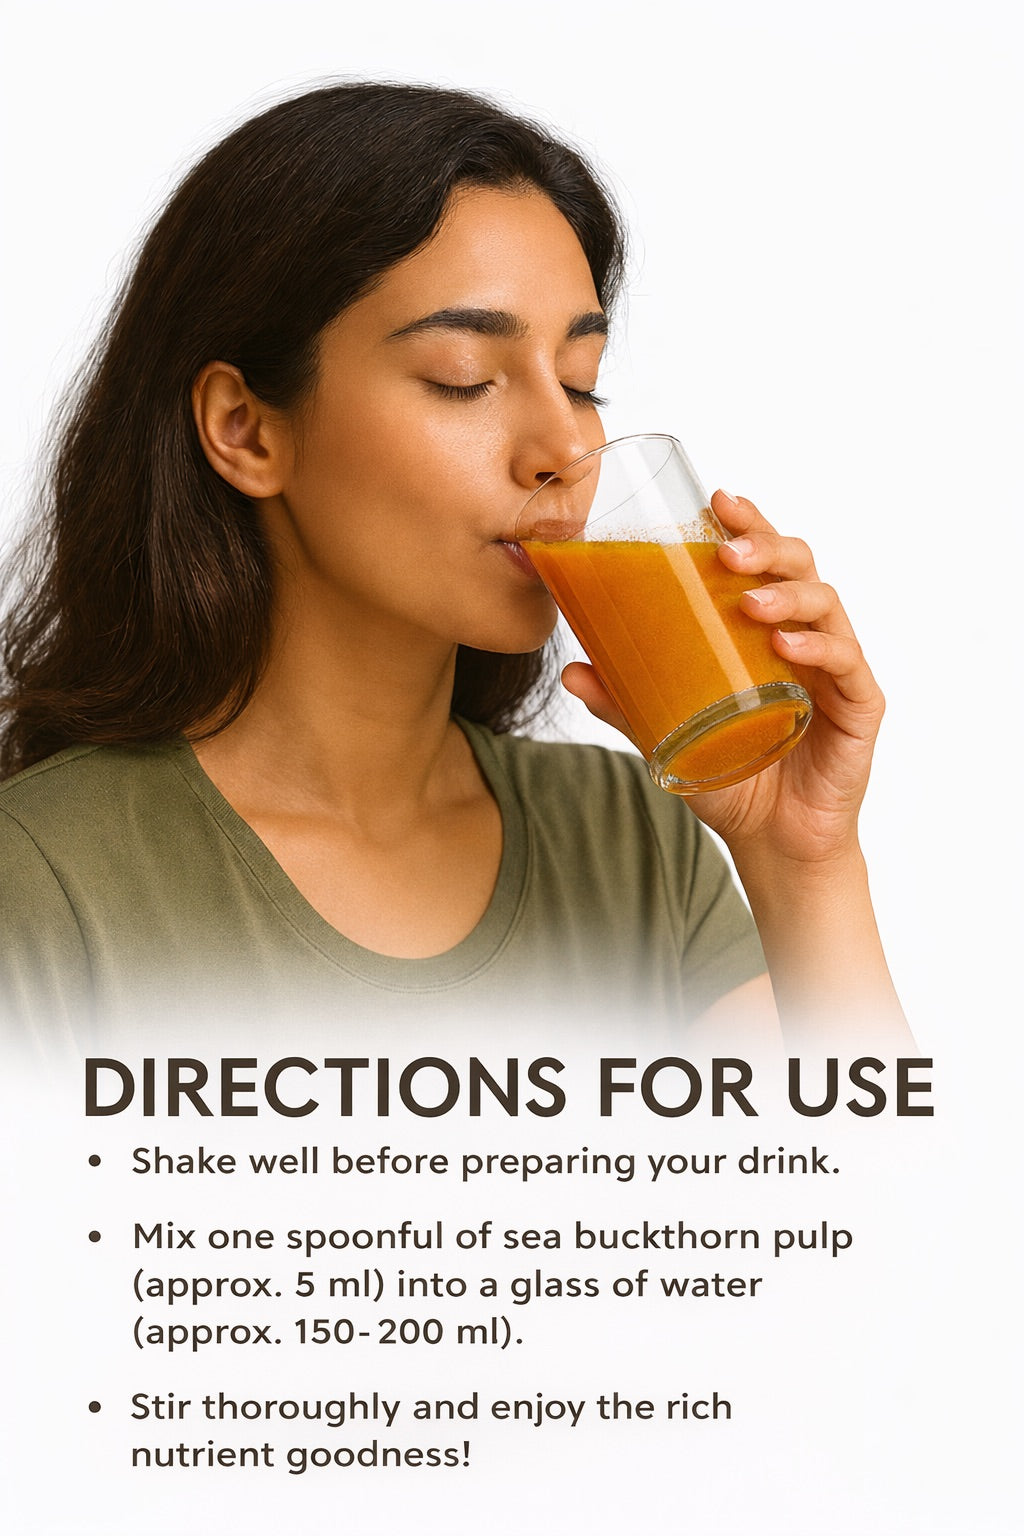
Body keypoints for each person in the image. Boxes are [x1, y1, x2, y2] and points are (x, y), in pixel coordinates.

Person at [0, 81, 909, 1051]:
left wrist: (802, 863)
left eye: (579, 382)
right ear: (245, 428)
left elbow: (863, 1203)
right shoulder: (45, 876)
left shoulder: (627, 838)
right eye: (464, 379)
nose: (563, 446)